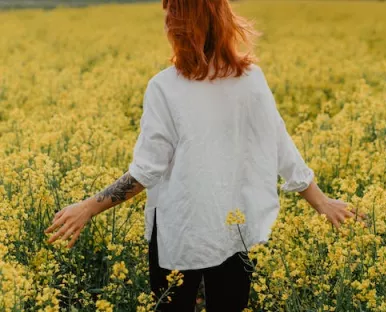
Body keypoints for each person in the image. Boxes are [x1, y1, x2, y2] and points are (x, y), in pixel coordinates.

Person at [44, 0, 368, 311]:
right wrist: (320, 202)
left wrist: (88, 207)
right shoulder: (250, 79)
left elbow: (147, 171)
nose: (167, 22)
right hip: (233, 228)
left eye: (171, 14)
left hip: (178, 232)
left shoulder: (164, 87)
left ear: (183, 25)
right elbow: (279, 143)